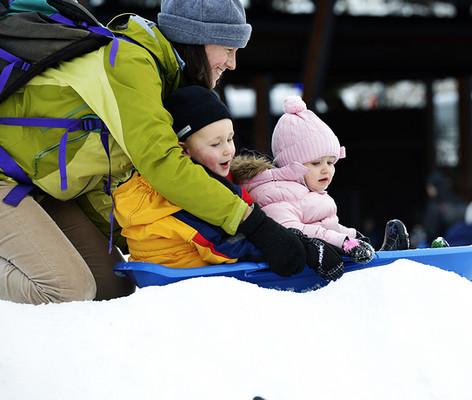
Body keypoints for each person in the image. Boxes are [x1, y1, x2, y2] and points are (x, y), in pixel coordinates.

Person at [0, 0, 307, 304]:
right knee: (68, 289)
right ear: (195, 38)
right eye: (228, 49)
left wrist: (153, 236)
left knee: (112, 288)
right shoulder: (131, 62)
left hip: (43, 188)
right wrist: (254, 224)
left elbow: (113, 179)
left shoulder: (166, 81)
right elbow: (161, 163)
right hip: (8, 178)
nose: (232, 63)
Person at [114, 86, 343, 281]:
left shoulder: (191, 180)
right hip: (184, 282)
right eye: (216, 144)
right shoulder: (176, 197)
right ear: (184, 150)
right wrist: (296, 245)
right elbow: (226, 246)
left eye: (230, 138)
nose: (228, 150)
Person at [231, 96, 410, 264]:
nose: (326, 169)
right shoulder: (276, 193)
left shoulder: (306, 191)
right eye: (316, 163)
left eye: (330, 162)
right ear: (291, 165)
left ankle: (387, 258)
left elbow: (325, 226)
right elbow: (290, 231)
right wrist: (343, 242)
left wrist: (354, 237)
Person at [422, 170, 467, 244]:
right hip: (462, 245)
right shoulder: (460, 201)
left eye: (429, 187)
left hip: (441, 247)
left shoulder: (435, 206)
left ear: (433, 187)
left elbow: (431, 233)